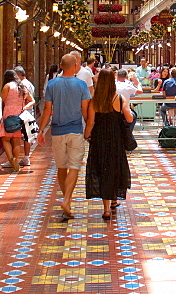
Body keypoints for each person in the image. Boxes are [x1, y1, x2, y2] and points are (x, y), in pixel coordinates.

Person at [37, 53, 90, 219]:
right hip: (75, 130)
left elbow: (47, 110)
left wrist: (41, 130)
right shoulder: (81, 85)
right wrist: (89, 128)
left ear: (61, 65)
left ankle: (66, 200)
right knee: (74, 166)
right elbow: (85, 110)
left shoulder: (52, 84)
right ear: (75, 67)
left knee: (61, 166)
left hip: (57, 131)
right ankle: (67, 200)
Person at [84, 68, 133, 221]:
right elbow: (130, 119)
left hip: (99, 139)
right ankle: (114, 200)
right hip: (115, 139)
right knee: (113, 168)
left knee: (103, 169)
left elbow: (90, 122)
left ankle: (106, 209)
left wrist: (86, 135)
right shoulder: (119, 99)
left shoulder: (95, 101)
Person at [0, 69, 34, 173]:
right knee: (16, 140)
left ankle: (11, 159)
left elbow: (1, 100)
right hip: (20, 114)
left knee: (5, 139)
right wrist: (24, 107)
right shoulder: (22, 87)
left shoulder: (8, 86)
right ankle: (16, 159)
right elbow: (32, 100)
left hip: (8, 113)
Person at [14, 66, 35, 167]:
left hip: (24, 114)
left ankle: (22, 158)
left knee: (23, 136)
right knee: (27, 136)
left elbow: (28, 99)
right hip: (28, 113)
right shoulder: (29, 83)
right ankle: (25, 157)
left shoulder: (23, 85)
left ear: (18, 75)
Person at [116, 68, 138, 135]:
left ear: (117, 76)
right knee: (133, 116)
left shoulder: (112, 84)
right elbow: (139, 91)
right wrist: (137, 84)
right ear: (126, 77)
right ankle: (128, 133)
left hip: (113, 110)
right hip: (124, 110)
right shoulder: (128, 85)